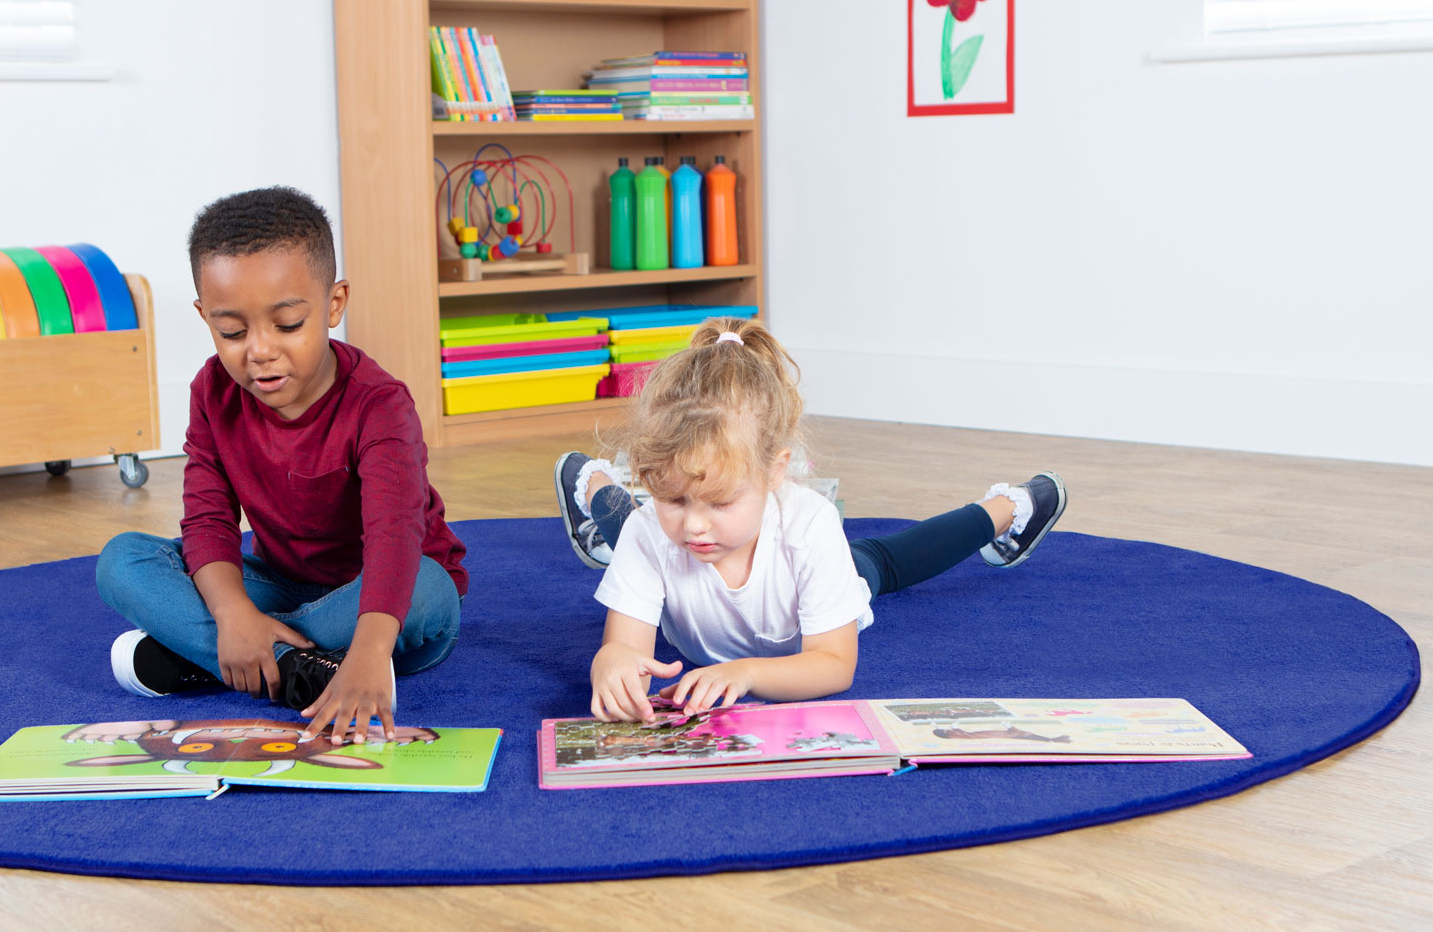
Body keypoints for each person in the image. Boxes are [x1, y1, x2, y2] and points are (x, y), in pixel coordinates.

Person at [94, 186, 467, 744]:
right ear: (205, 318)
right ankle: (297, 669)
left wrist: (368, 655)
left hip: (380, 602)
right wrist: (234, 612)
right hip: (279, 586)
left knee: (431, 590)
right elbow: (207, 520)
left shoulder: (380, 404)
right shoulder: (212, 391)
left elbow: (396, 537)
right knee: (122, 562)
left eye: (288, 324)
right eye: (233, 332)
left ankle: (223, 661)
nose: (260, 350)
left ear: (334, 304)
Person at [551, 319, 1067, 722]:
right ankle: (590, 479)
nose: (696, 527)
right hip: (650, 537)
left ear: (775, 471)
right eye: (675, 498)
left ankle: (1015, 507)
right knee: (633, 528)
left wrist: (746, 673)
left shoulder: (809, 527)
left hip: (812, 578)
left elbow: (834, 664)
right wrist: (611, 665)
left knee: (883, 563)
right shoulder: (657, 529)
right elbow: (623, 647)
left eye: (722, 501)